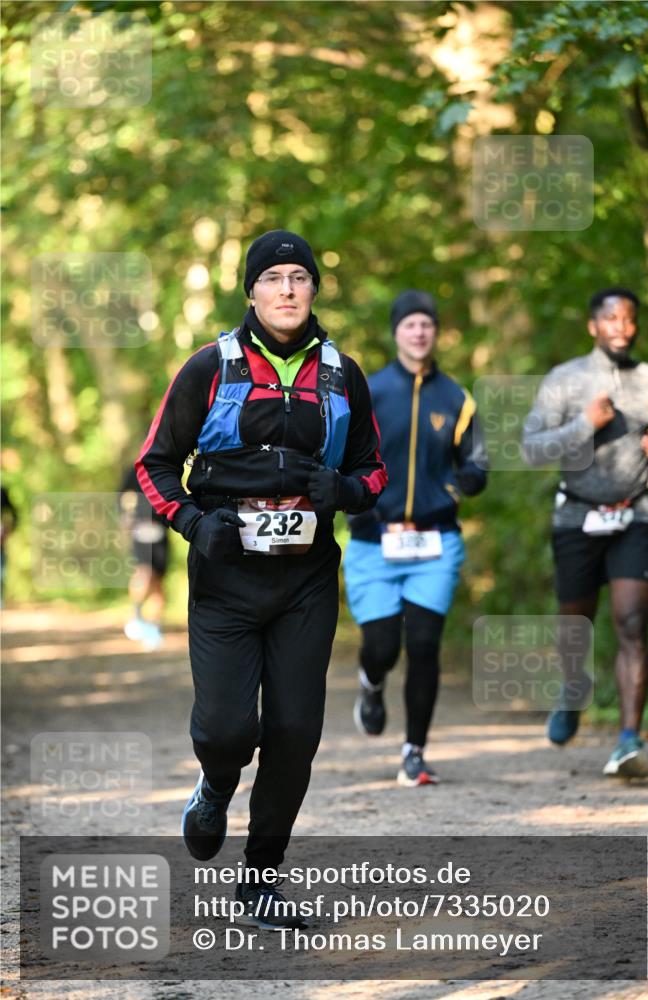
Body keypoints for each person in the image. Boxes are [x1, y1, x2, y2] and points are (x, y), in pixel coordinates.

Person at [136, 230, 386, 928]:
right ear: (250, 290)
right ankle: (215, 785)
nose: (285, 289)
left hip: (305, 580)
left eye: (298, 277)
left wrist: (344, 491)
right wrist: (192, 522)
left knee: (295, 730)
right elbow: (153, 464)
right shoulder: (208, 367)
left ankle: (260, 882)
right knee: (224, 730)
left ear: (313, 289)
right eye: (271, 277)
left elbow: (373, 470)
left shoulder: (342, 374)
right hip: (225, 577)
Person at [343, 290, 488, 786]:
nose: (419, 332)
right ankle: (371, 682)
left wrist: (467, 479)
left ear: (436, 331)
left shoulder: (456, 398)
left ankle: (414, 752)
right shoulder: (370, 390)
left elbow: (475, 459)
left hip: (435, 541)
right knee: (382, 645)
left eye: (427, 324)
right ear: (397, 331)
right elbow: (341, 456)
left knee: (424, 644)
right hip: (373, 541)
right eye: (410, 325)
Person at [522, 287, 648, 778]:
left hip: (636, 515)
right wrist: (584, 424)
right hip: (577, 517)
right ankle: (572, 686)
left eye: (629, 319)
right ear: (594, 326)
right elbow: (532, 450)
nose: (621, 327)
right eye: (611, 318)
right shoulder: (565, 379)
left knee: (631, 624)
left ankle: (628, 739)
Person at [119, 464, 170, 650]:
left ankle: (153, 628)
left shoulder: (168, 466)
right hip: (141, 530)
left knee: (159, 583)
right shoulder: (137, 469)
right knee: (143, 572)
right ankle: (137, 615)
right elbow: (120, 493)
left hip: (161, 532)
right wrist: (124, 516)